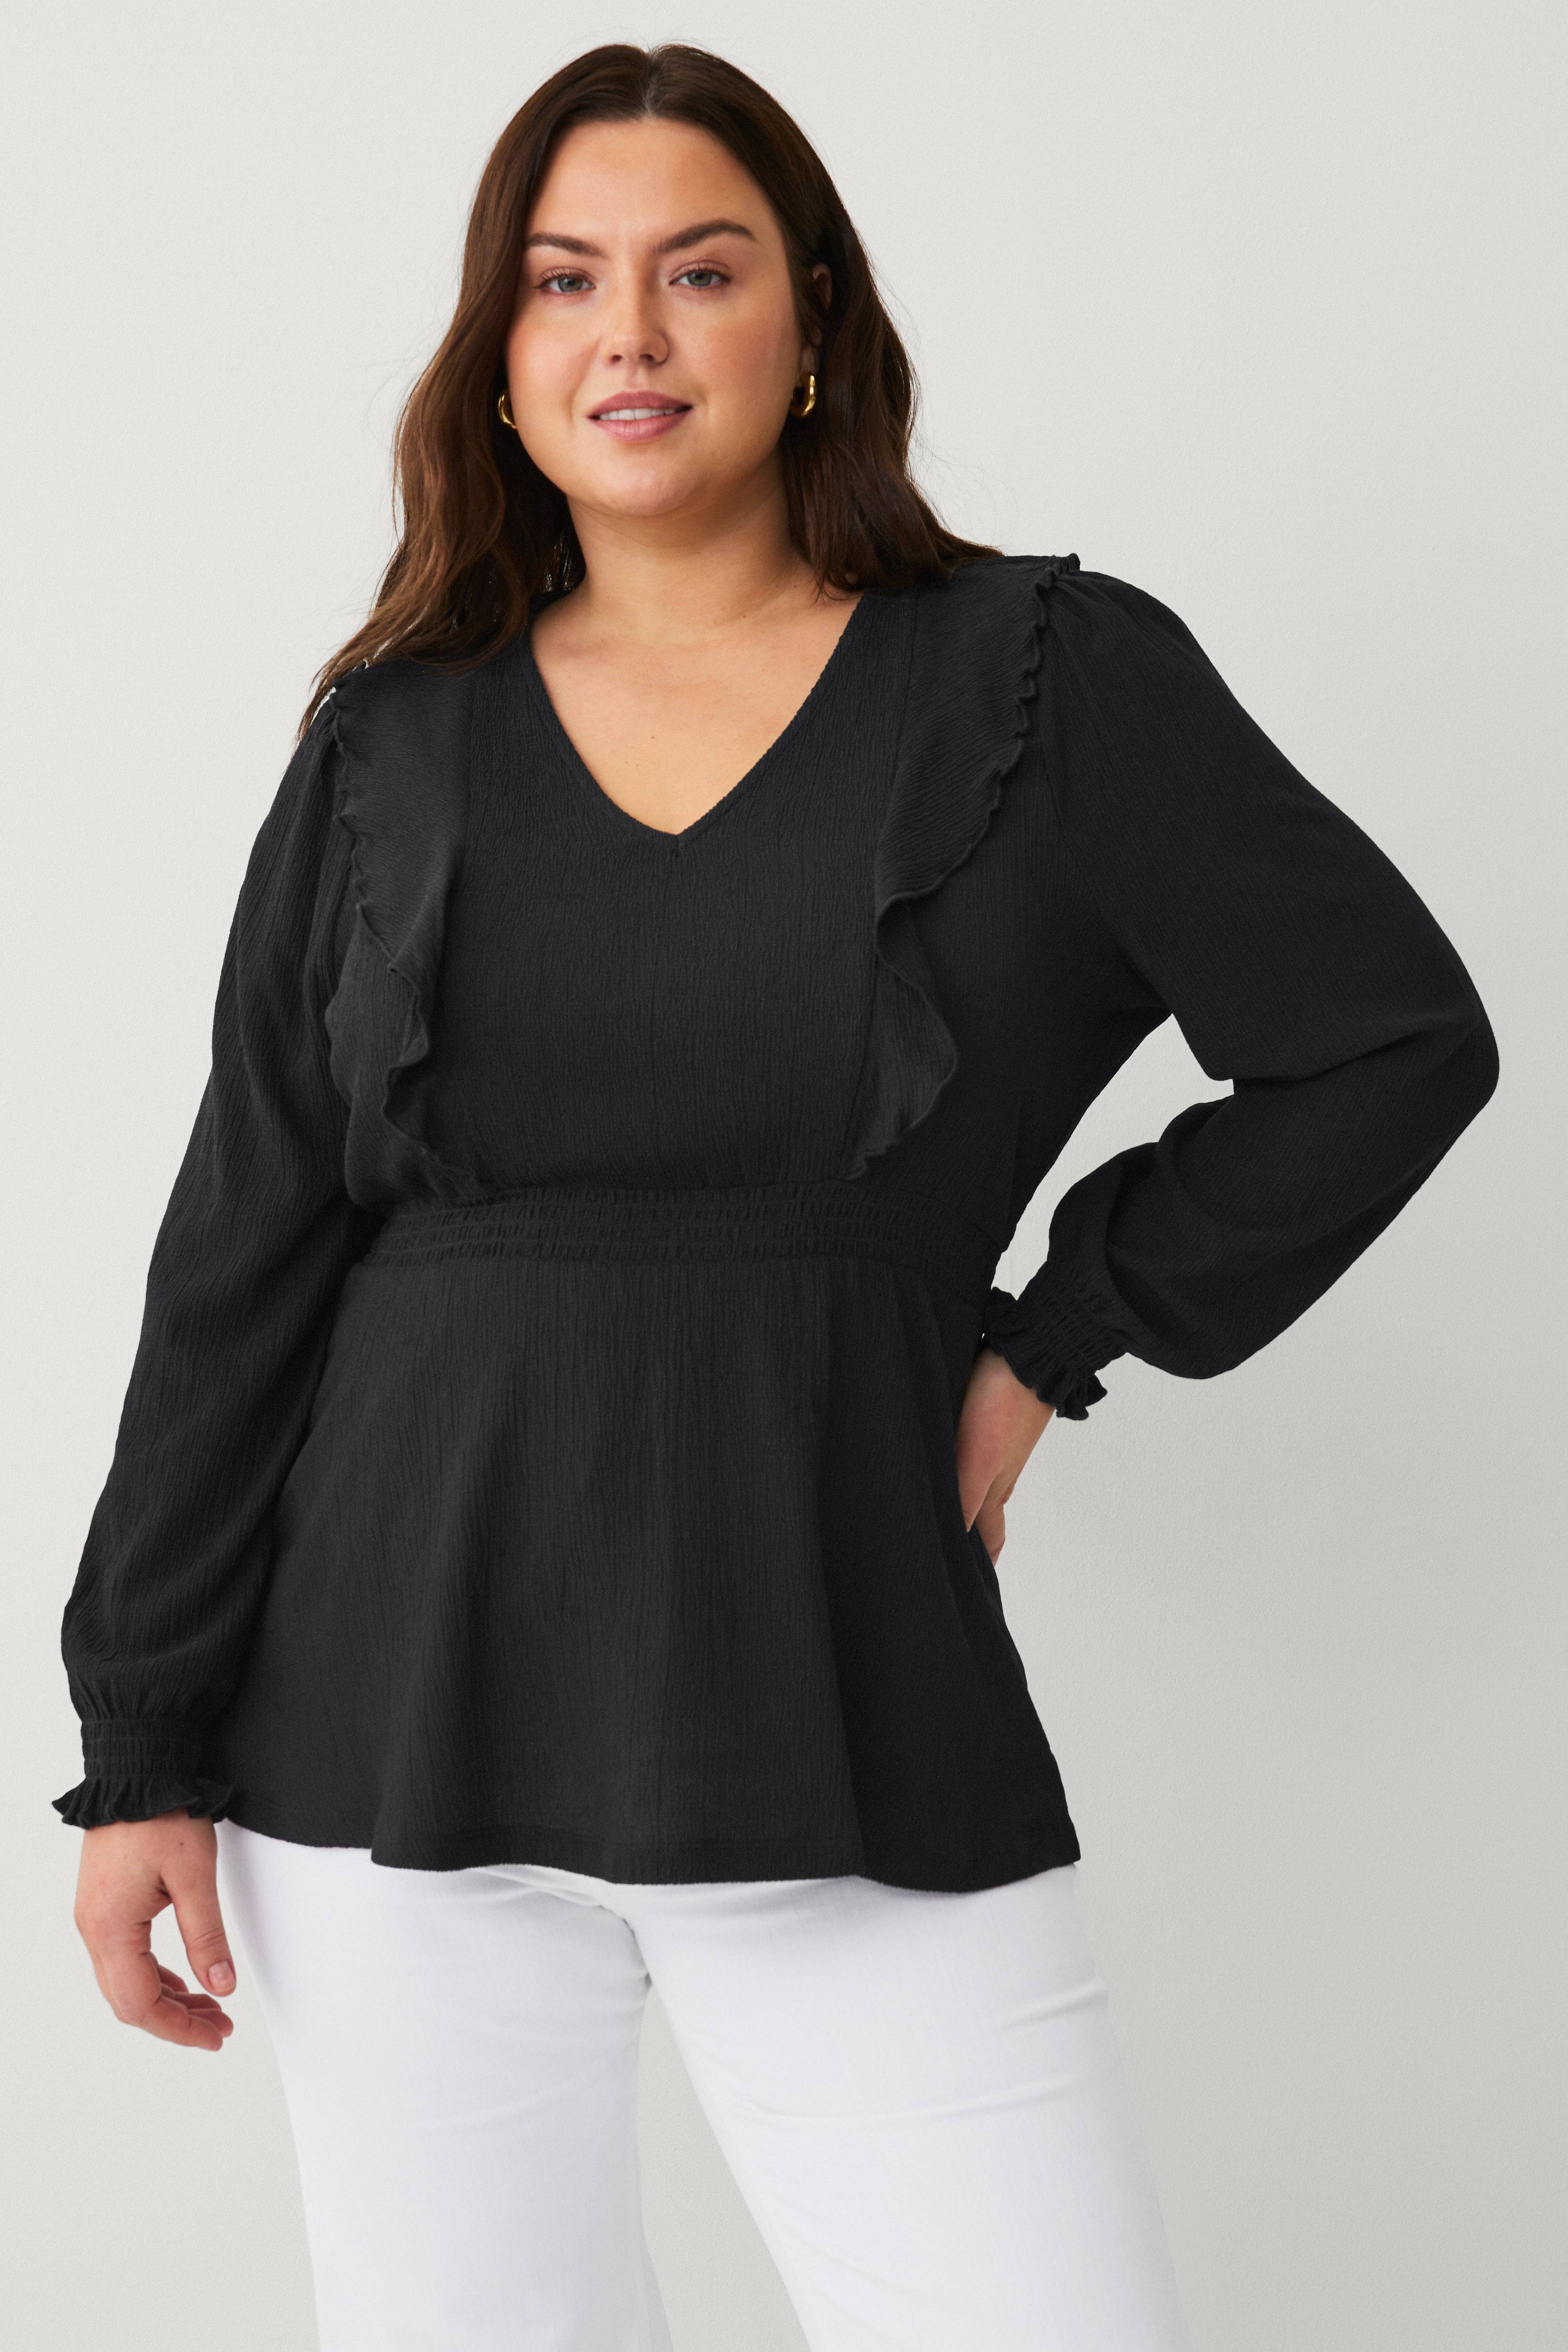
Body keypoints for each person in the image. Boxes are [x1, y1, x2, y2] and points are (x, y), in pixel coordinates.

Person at [55, 39, 1498, 2352]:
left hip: (842, 1678)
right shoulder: (389, 739)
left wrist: (1053, 1337)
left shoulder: (1046, 676)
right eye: (562, 280)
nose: (626, 334)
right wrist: (140, 1743)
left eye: (698, 270)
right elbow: (242, 1243)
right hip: (375, 1736)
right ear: (498, 349)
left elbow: (1392, 1037)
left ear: (812, 314)